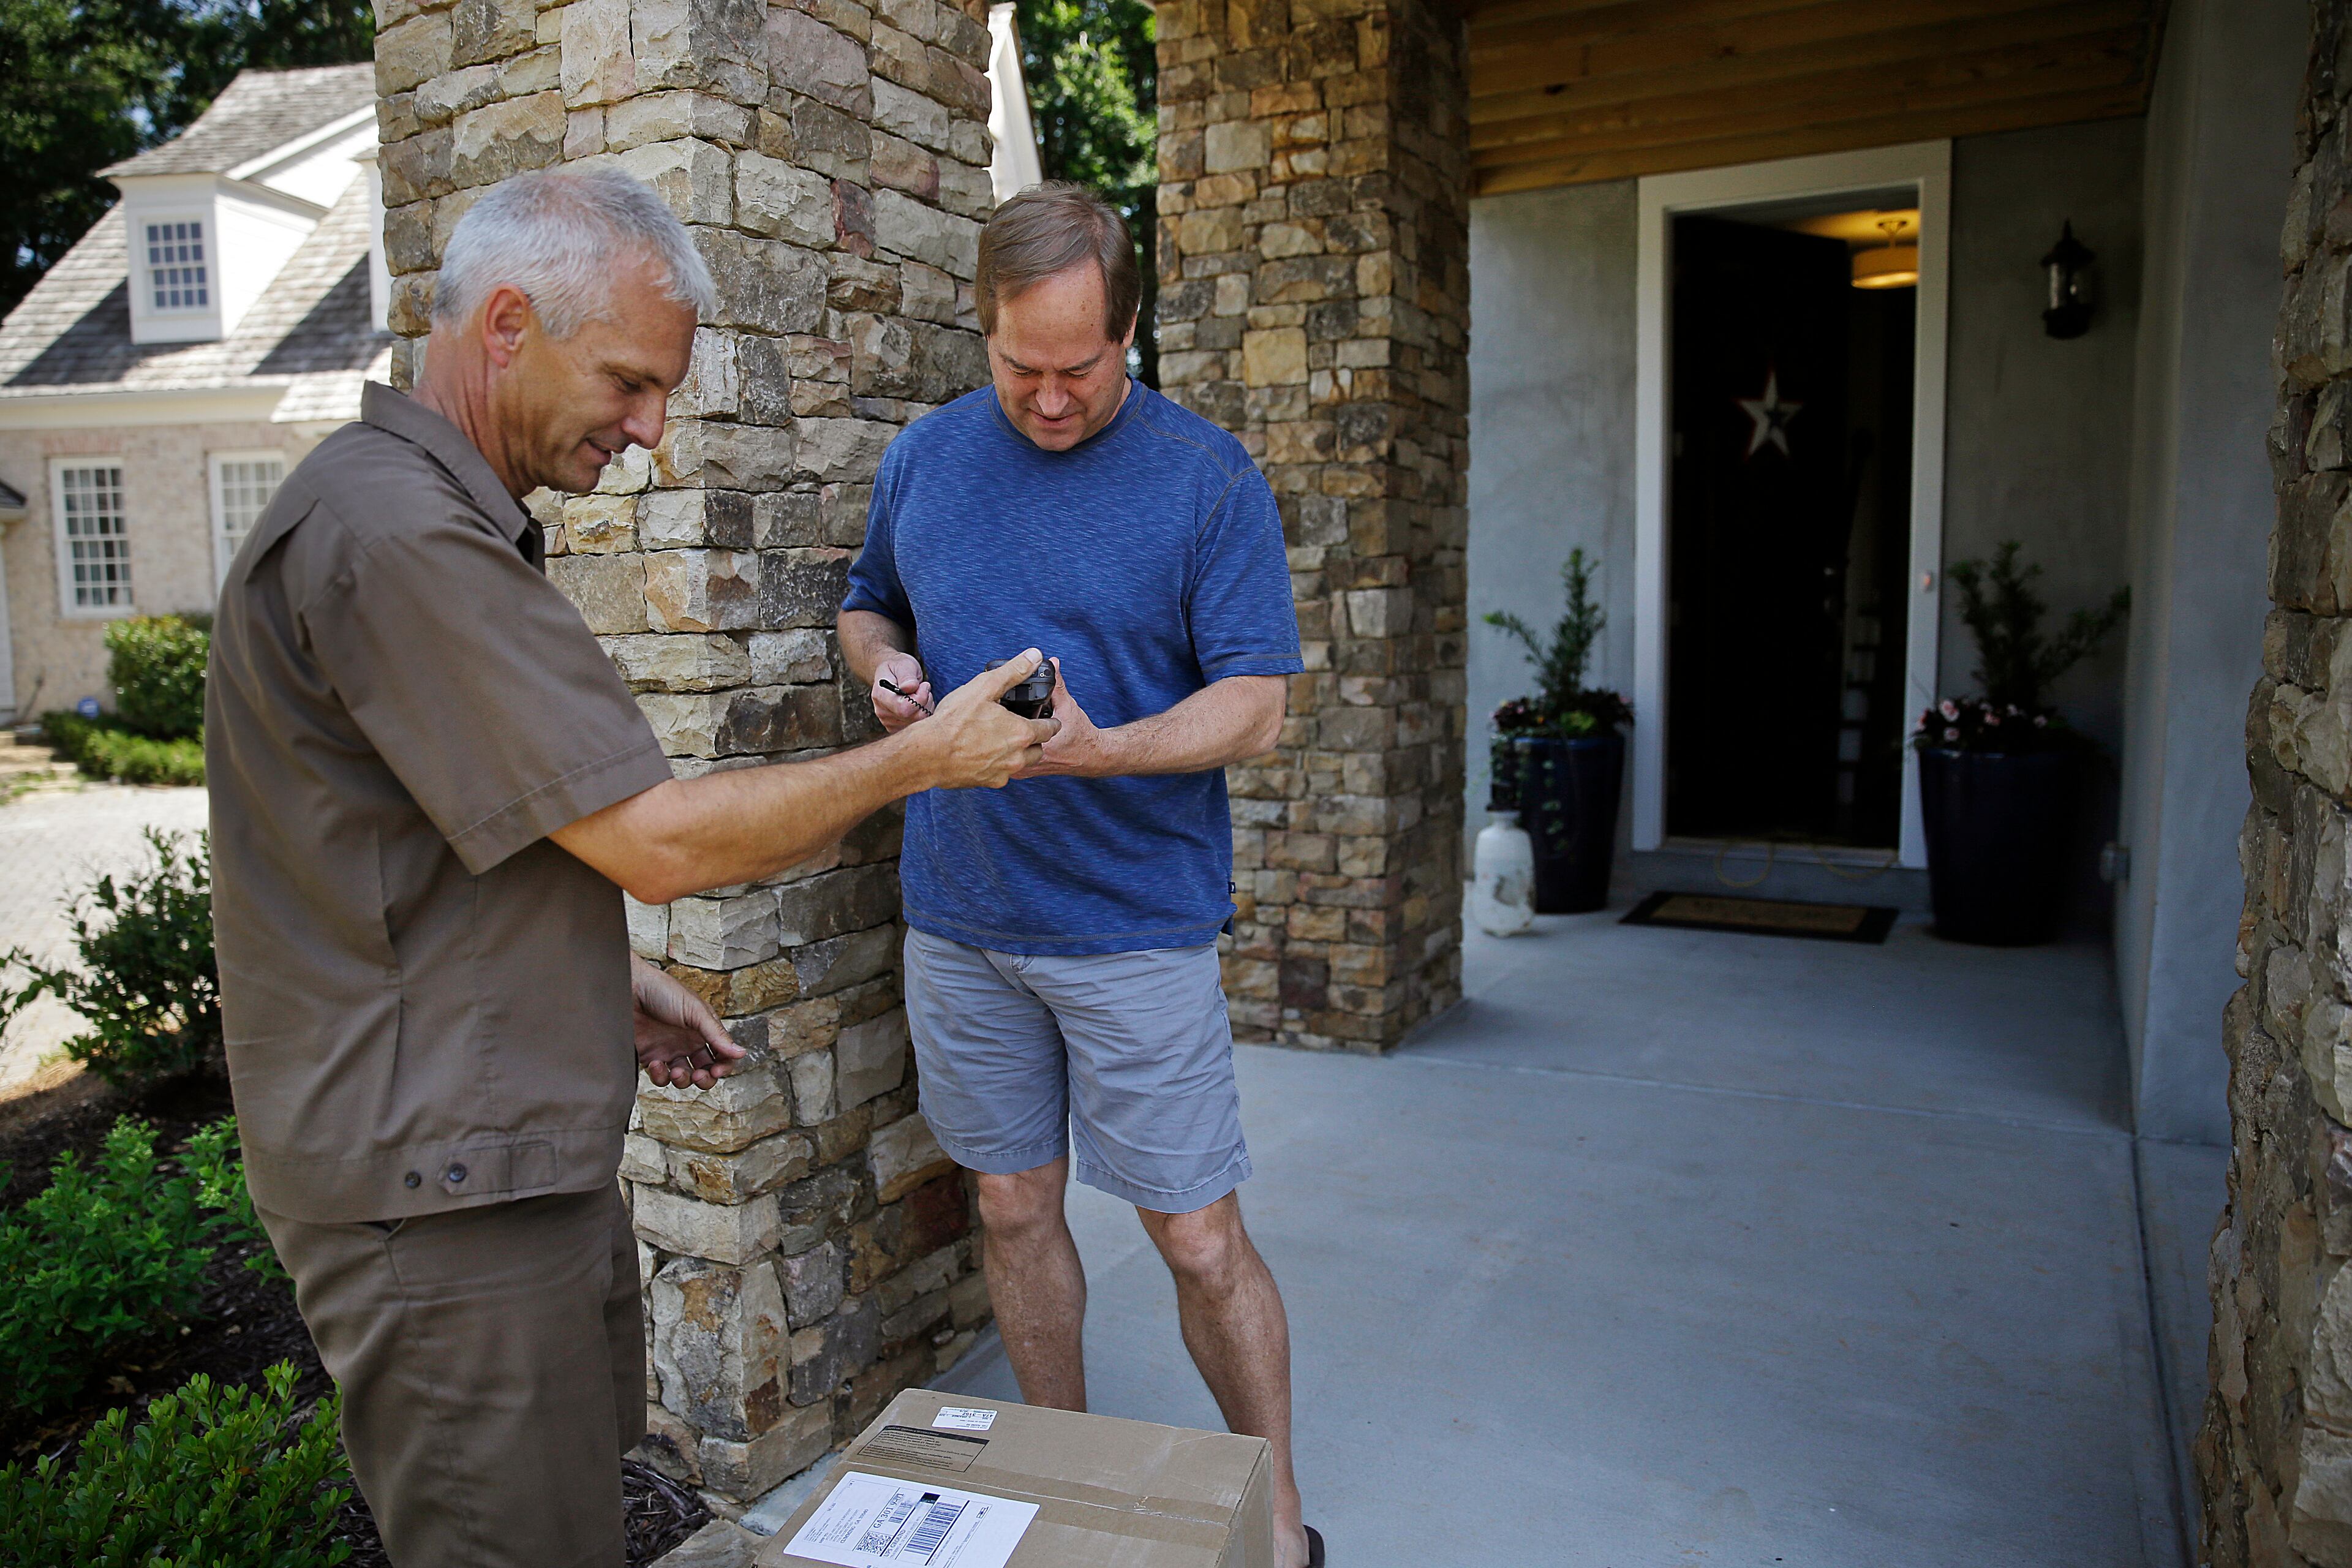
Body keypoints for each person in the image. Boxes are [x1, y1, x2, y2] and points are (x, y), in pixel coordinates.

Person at [205, 167, 1055, 1568]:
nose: (652, 432)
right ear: (504, 325)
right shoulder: (396, 535)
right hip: (442, 1201)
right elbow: (654, 838)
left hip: (492, 1166)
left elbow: (406, 853)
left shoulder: (426, 520)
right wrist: (922, 759)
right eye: (629, 381)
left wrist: (604, 977)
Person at [837, 182, 1322, 1568]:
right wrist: (885, 670)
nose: (1047, 400)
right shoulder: (927, 457)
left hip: (1134, 926)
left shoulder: (1205, 474)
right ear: (984, 331)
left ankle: (1277, 1517)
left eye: (1080, 368)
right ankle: (1068, 1477)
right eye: (1018, 367)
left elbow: (1258, 703)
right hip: (963, 917)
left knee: (1198, 1236)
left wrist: (1103, 751)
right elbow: (868, 597)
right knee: (1010, 1203)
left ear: (1130, 331)